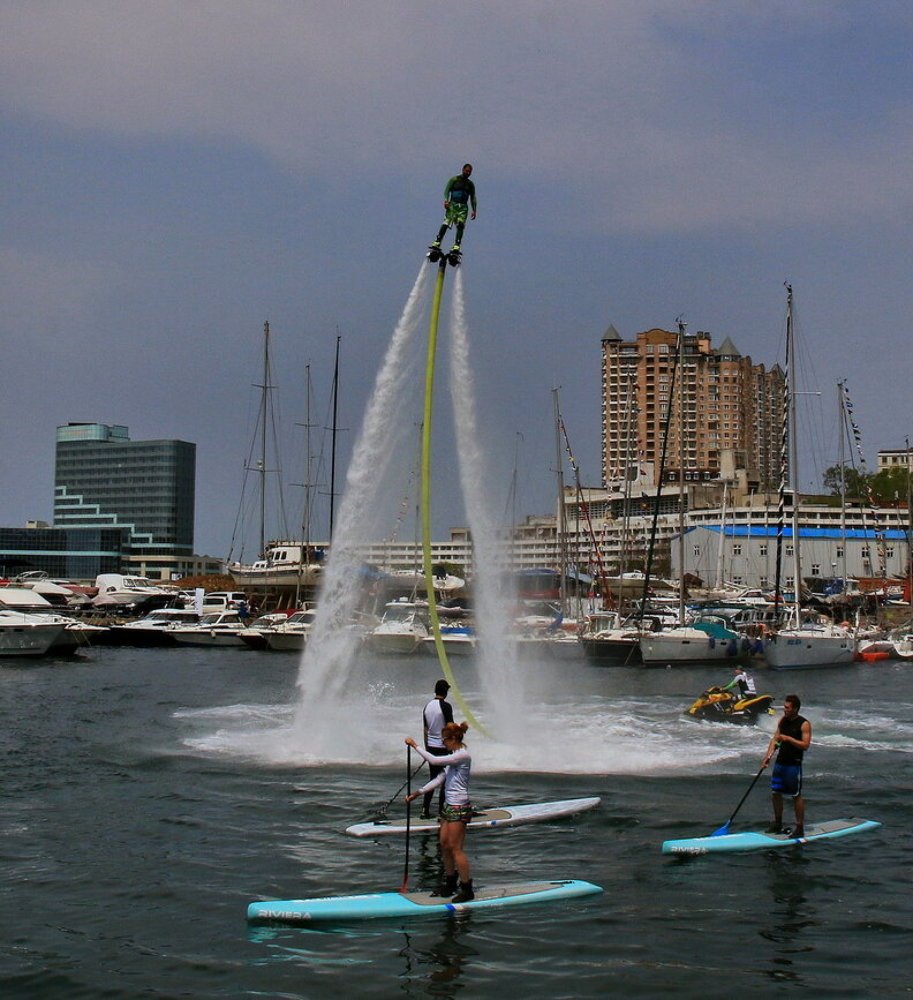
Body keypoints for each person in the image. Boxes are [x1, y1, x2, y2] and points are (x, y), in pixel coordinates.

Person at [405, 721, 474, 902]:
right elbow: (439, 779)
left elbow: (434, 760)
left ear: (453, 739)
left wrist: (415, 745)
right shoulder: (452, 759)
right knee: (444, 845)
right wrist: (417, 794)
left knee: (456, 848)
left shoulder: (462, 756)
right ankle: (450, 883)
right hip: (447, 808)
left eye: (445, 740)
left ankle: (467, 889)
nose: (443, 743)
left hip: (459, 807)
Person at [762, 694, 812, 838]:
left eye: (787, 708)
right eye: (784, 707)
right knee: (776, 792)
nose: (784, 710)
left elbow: (805, 745)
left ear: (795, 709)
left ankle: (800, 827)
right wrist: (767, 757)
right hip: (780, 762)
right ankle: (778, 823)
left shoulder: (804, 724)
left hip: (793, 764)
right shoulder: (783, 721)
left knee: (795, 796)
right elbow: (775, 739)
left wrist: (789, 739)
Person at [420, 679, 454, 819]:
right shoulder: (446, 706)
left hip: (431, 748)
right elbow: (450, 727)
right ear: (445, 691)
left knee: (432, 779)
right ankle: (442, 811)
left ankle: (424, 810)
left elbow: (425, 730)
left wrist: (427, 749)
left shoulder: (427, 706)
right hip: (443, 748)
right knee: (445, 779)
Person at [430, 164, 477, 254]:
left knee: (460, 225)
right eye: (466, 170)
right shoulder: (454, 180)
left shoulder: (470, 184)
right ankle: (437, 241)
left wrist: (474, 210)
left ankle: (457, 245)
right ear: (462, 169)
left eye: (469, 172)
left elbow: (473, 197)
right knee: (446, 222)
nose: (467, 173)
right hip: (452, 205)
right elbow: (446, 191)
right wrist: (446, 201)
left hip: (463, 207)